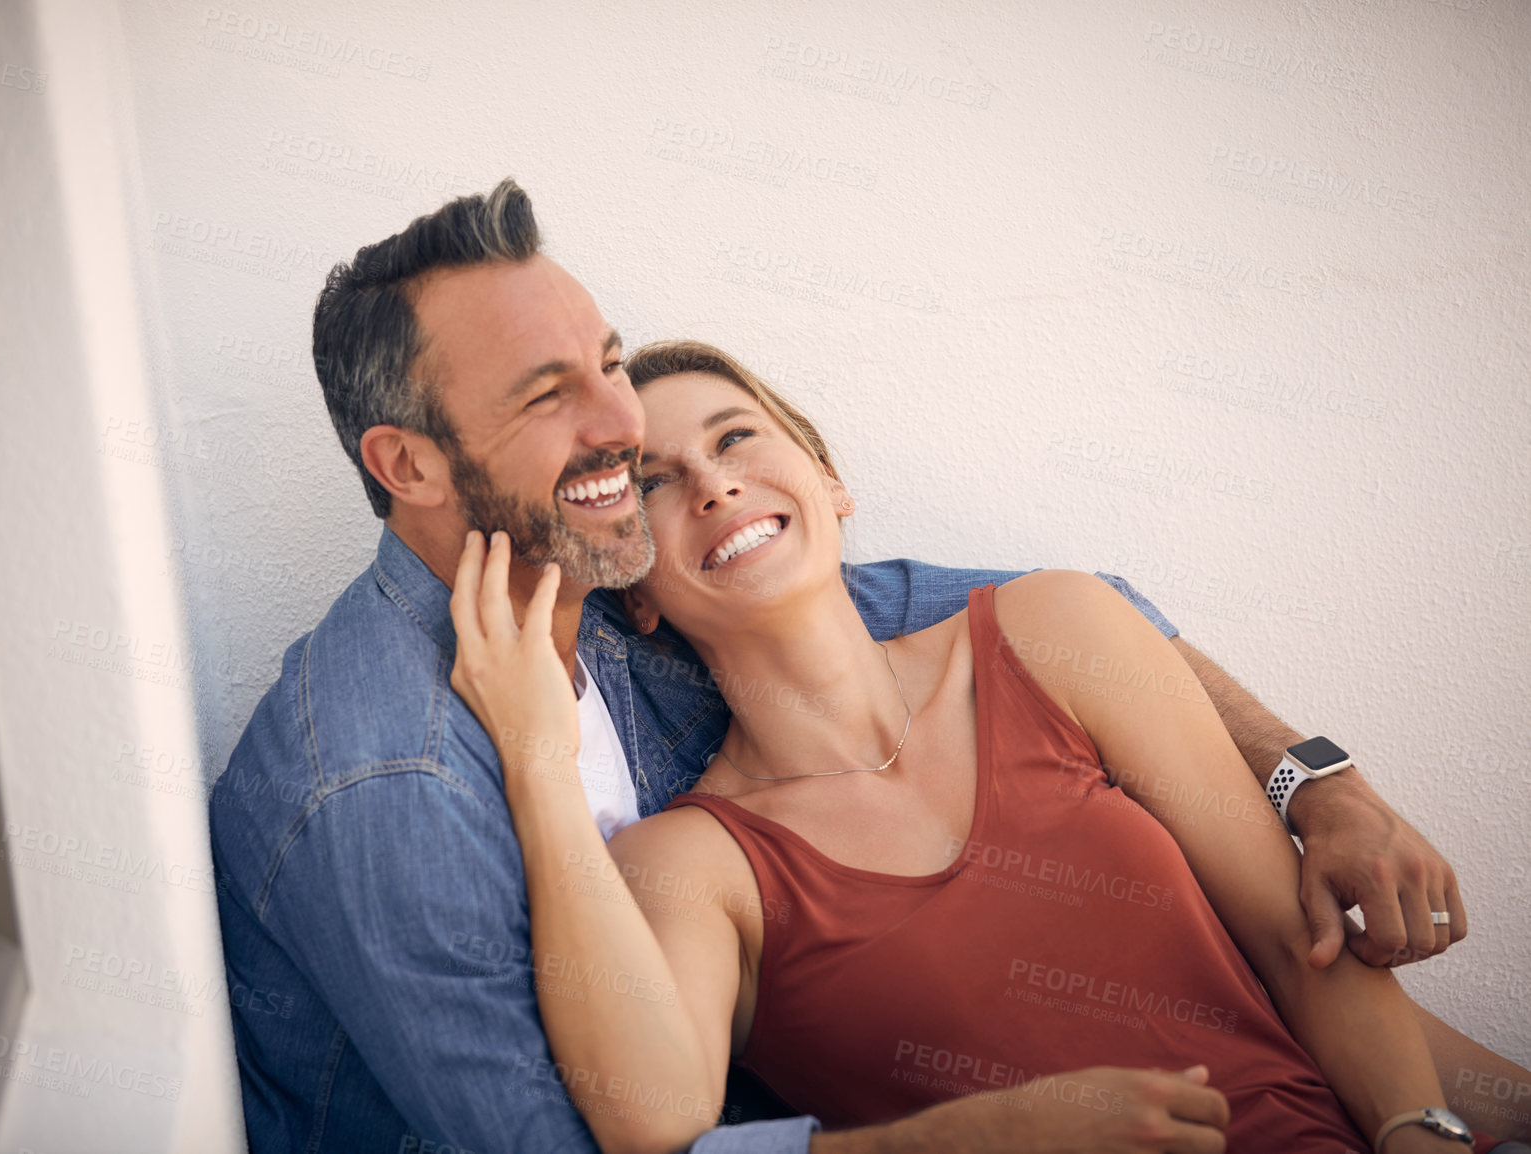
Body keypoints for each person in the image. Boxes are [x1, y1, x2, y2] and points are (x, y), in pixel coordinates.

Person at [208, 178, 1487, 1154]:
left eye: (610, 363)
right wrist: (985, 1135)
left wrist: (1311, 776)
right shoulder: (387, 784)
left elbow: (994, 609)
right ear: (410, 465)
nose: (621, 427)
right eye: (553, 395)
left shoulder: (587, 572)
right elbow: (601, 1138)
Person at [445, 337, 1531, 1154]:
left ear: (828, 482)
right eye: (653, 484)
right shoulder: (690, 864)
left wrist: (1416, 1125)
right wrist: (537, 757)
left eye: (736, 438)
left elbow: (1301, 944)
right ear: (636, 595)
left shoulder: (1057, 629)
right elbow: (654, 1125)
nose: (713, 485)